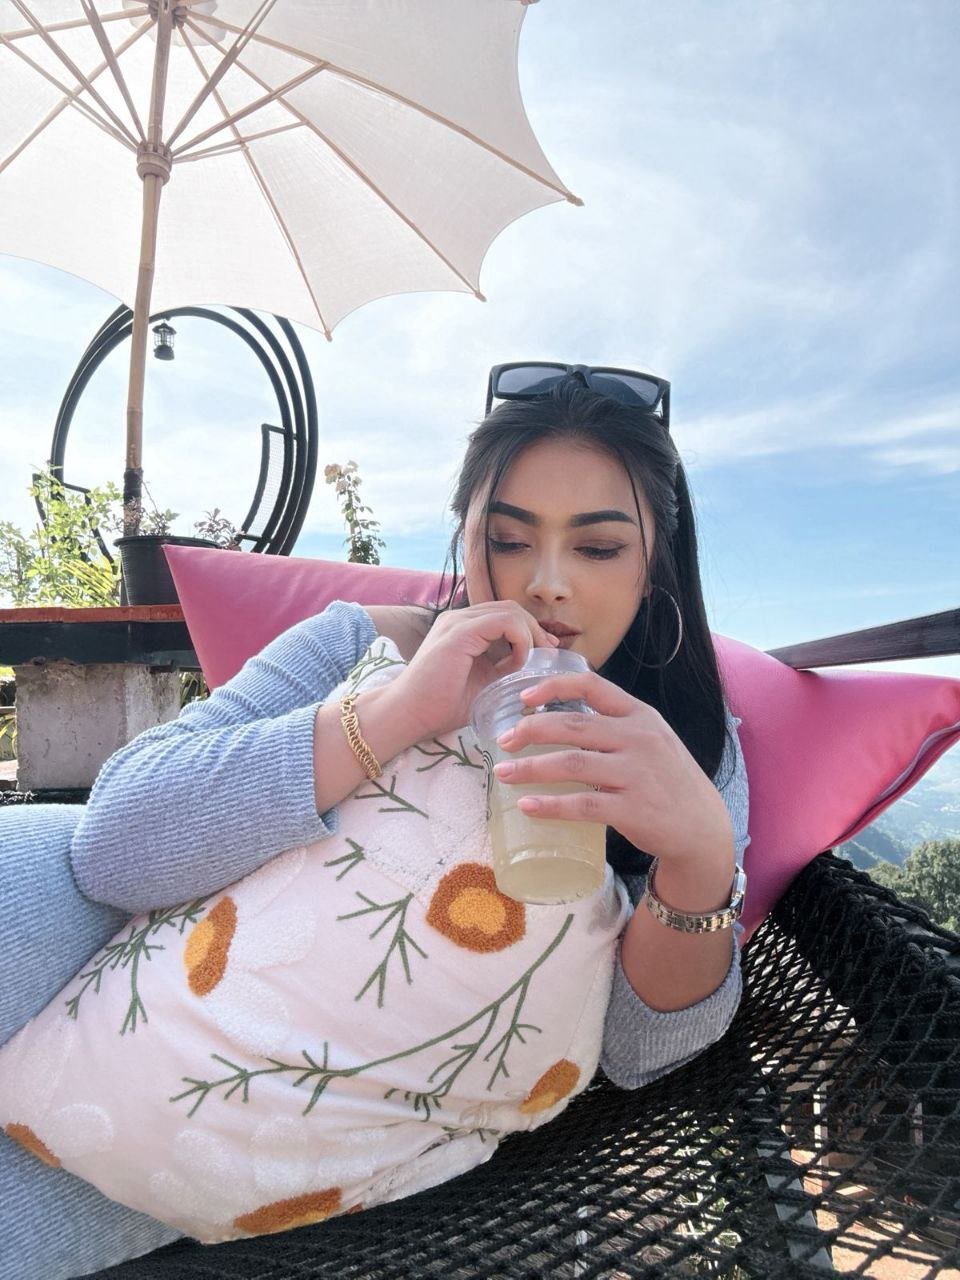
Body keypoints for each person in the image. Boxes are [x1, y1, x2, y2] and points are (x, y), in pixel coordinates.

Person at [0, 365, 749, 1280]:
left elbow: (641, 1054)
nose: (547, 585)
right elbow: (114, 848)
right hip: (61, 929)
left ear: (654, 561)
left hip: (162, 1127)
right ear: (465, 537)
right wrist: (392, 714)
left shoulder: (686, 749)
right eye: (509, 540)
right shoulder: (360, 644)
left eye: (597, 548)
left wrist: (699, 857)